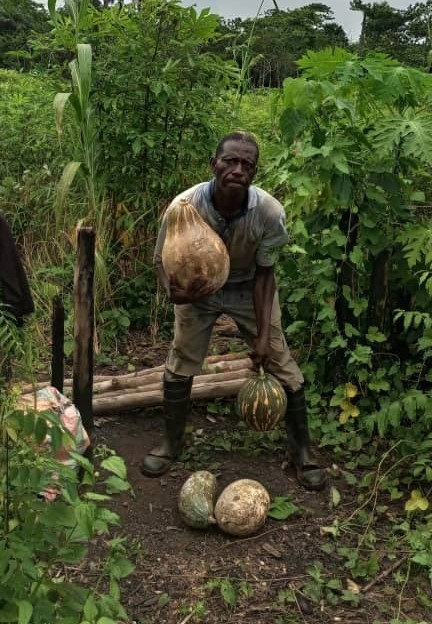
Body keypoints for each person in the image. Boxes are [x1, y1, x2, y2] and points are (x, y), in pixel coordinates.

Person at [141, 131, 326, 491]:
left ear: (254, 173)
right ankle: (170, 444)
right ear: (214, 164)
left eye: (247, 164)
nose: (238, 169)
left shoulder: (269, 213)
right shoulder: (184, 206)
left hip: (248, 286)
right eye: (230, 161)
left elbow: (265, 272)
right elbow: (162, 262)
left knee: (279, 359)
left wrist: (261, 337)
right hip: (199, 289)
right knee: (181, 360)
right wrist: (174, 293)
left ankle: (302, 452)